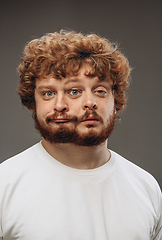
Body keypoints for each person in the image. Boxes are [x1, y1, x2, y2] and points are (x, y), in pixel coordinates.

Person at [0, 30, 161, 240]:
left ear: (116, 101)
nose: (89, 103)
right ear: (33, 102)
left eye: (100, 91)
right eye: (48, 93)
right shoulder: (5, 183)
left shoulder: (145, 186)